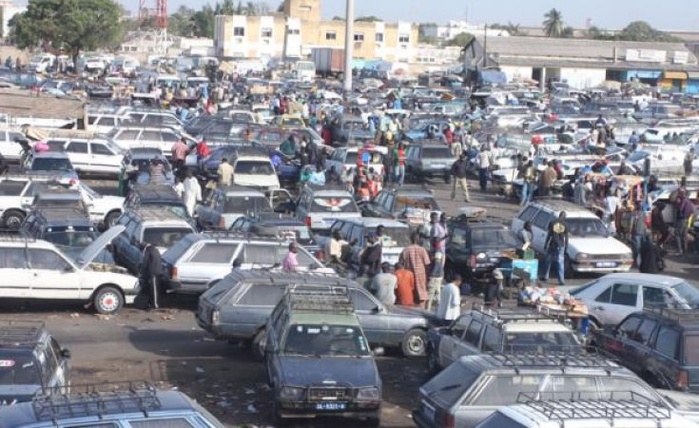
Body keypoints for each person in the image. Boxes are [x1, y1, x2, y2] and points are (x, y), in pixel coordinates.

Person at [399, 233, 432, 308]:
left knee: (411, 293)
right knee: (422, 295)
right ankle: (421, 310)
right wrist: (428, 276)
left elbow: (400, 263)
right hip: (421, 276)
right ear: (418, 240)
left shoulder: (406, 250)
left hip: (408, 275)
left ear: (410, 239)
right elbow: (427, 264)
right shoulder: (422, 250)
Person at [541, 211, 569, 285]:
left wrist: (546, 244)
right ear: (564, 217)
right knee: (560, 262)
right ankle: (561, 280)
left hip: (552, 244)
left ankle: (545, 276)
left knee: (548, 260)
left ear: (559, 215)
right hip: (561, 245)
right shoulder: (565, 224)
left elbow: (549, 234)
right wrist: (566, 246)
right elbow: (566, 237)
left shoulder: (552, 222)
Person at [140, 243, 163, 310]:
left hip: (152, 272)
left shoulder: (148, 251)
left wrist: (142, 271)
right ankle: (151, 303)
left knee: (153, 289)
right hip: (157, 271)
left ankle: (154, 304)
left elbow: (145, 262)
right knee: (154, 288)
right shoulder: (155, 250)